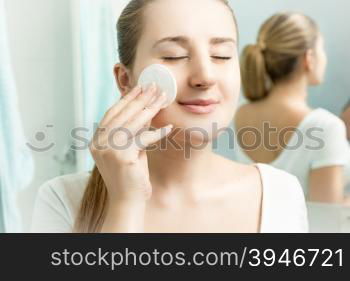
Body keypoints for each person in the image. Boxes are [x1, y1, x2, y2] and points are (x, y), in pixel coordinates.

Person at [30, 0, 308, 233]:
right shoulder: (62, 201)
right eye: (174, 56)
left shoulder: (280, 194)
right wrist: (125, 203)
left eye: (221, 55)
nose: (206, 76)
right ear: (125, 79)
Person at [234, 12, 350, 205]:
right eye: (322, 49)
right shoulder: (325, 126)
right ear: (309, 57)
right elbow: (326, 218)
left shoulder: (241, 113)